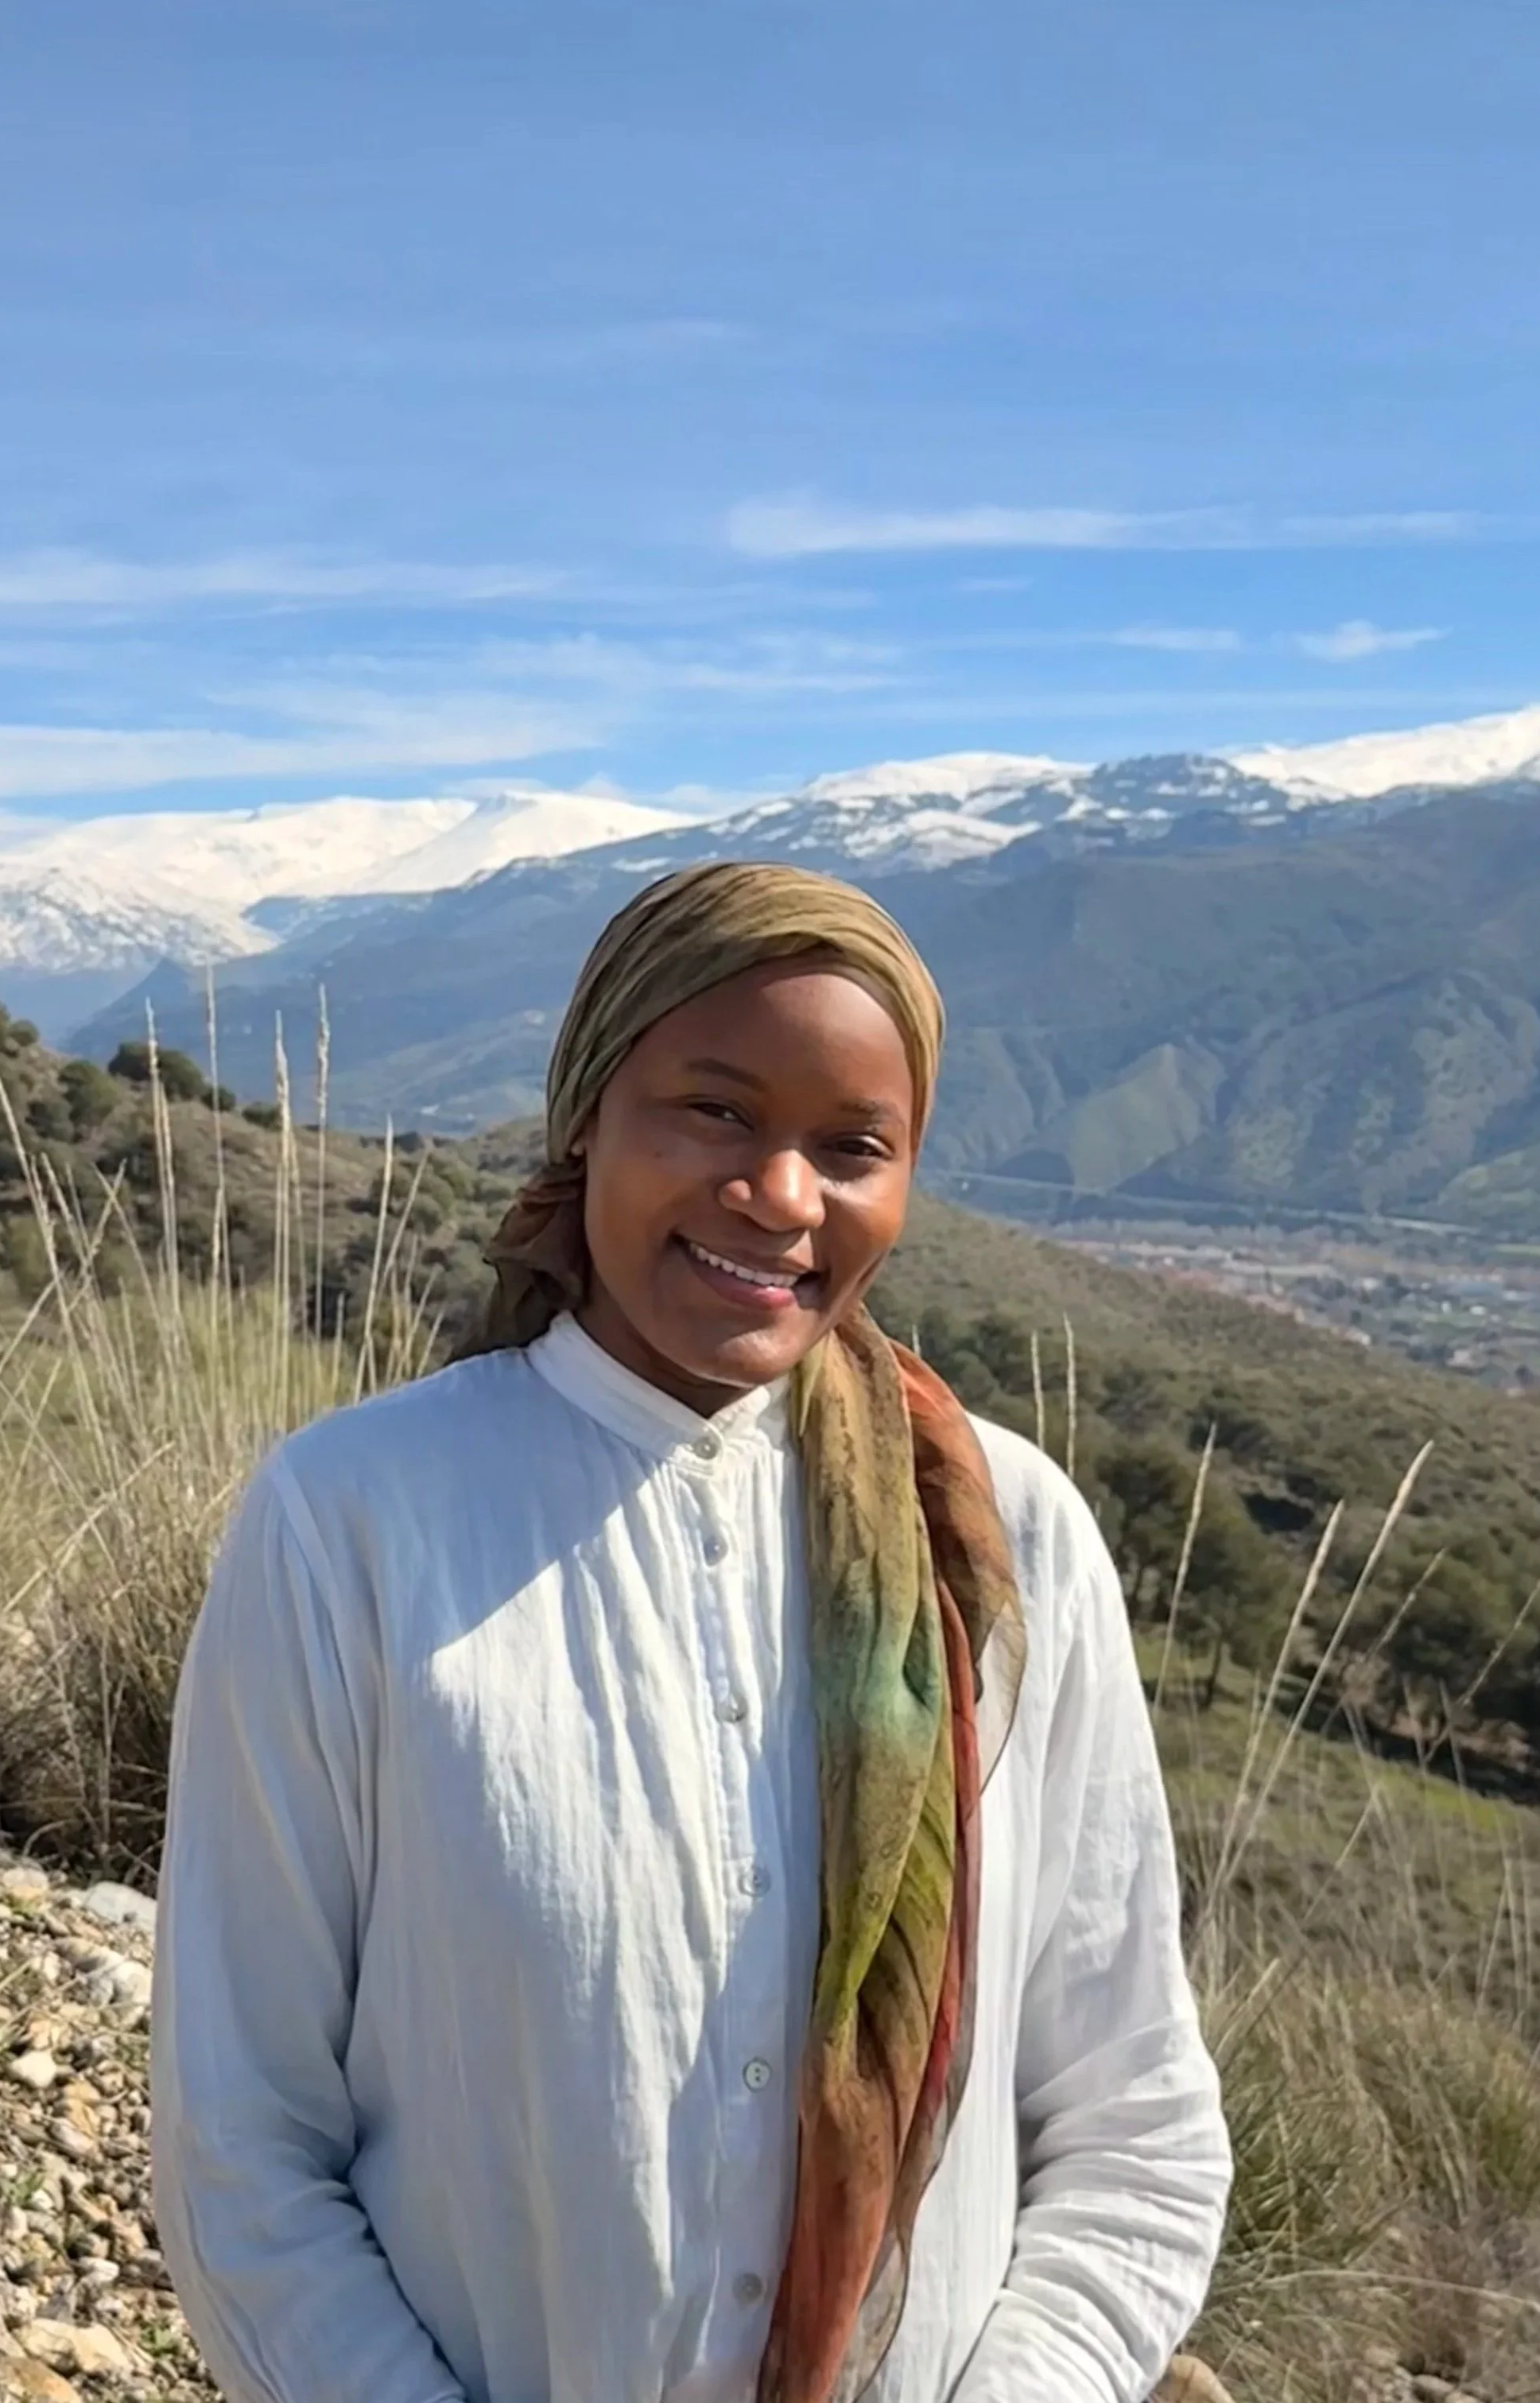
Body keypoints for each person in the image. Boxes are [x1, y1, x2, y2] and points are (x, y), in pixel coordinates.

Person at [150, 861, 1233, 2403]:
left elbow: (1132, 2121)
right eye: (714, 1110)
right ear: (587, 1111)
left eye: (851, 1146)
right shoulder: (352, 1522)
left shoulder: (1010, 1538)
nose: (781, 1194)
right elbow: (242, 2143)